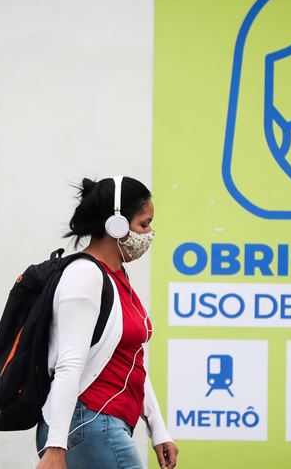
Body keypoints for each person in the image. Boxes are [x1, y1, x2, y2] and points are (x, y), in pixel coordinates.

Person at [35, 176, 179, 469]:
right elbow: (69, 363)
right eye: (144, 224)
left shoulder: (118, 277)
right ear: (117, 225)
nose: (150, 234)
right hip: (87, 424)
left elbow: (130, 361)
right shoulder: (85, 277)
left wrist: (158, 428)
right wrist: (56, 446)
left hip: (104, 423)